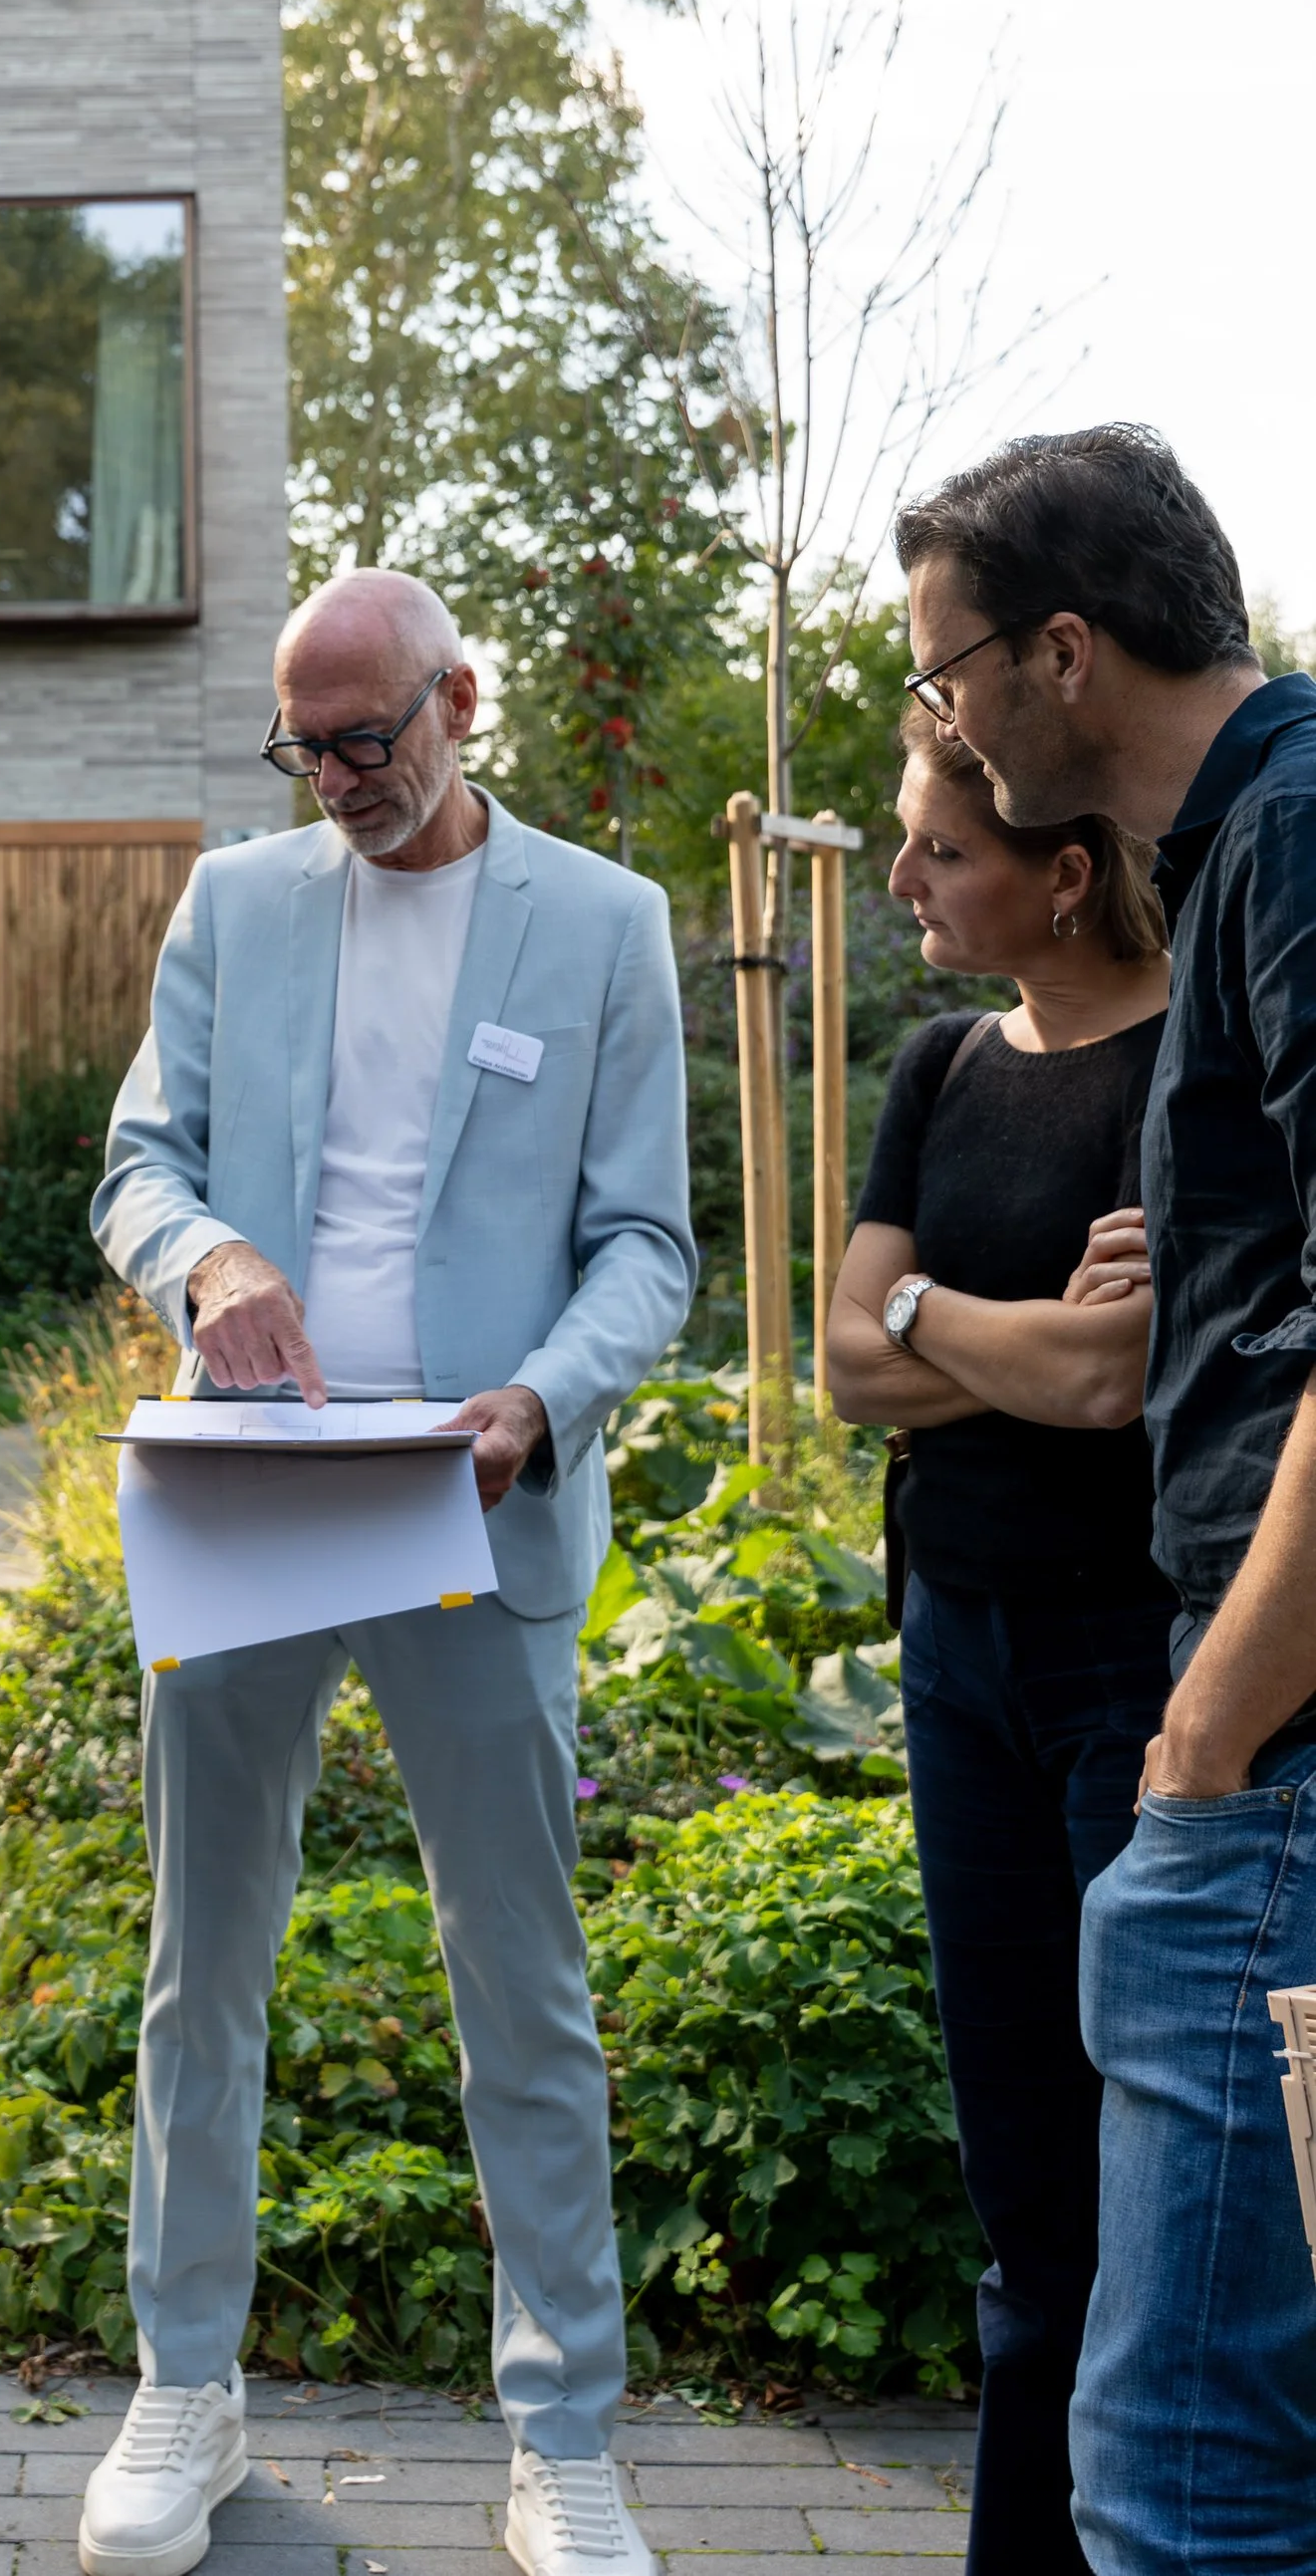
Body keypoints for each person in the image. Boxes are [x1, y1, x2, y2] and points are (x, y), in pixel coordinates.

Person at [85, 568, 693, 2576]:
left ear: (459, 697)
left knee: (521, 1986)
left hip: (474, 1495)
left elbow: (645, 1250)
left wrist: (539, 1397)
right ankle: (183, 2388)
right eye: (304, 743)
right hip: (250, 1487)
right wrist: (209, 1262)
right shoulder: (233, 905)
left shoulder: (603, 924)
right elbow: (133, 1164)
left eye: (368, 735)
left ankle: (562, 2436)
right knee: (203, 1972)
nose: (336, 775)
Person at [894, 424, 1316, 2576]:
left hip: (1260, 1761)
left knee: (1177, 2470)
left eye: (940, 670)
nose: (934, 723)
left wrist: (1206, 1735)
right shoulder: (1262, 842)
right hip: (1235, 1734)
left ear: (1060, 652)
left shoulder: (1299, 835)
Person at [826, 701, 1173, 2576]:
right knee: (1025, 2196)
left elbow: (1115, 1379)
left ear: (1061, 863)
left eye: (938, 851)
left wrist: (929, 1313)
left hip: (1129, 1675)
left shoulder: (1188, 1061)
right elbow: (835, 1364)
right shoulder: (941, 1066)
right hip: (952, 1657)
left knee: (1144, 2200)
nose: (901, 881)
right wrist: (1004, 1327)